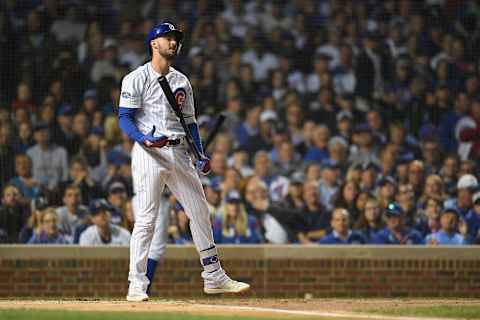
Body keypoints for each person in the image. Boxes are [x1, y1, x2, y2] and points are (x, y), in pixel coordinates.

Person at [117, 22, 249, 301]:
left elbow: (190, 124)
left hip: (178, 152)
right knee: (146, 219)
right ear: (154, 43)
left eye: (175, 38)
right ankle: (137, 285)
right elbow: (125, 118)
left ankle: (213, 277)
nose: (173, 42)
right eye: (167, 38)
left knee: (200, 210)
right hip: (149, 151)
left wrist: (200, 154)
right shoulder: (135, 78)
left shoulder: (182, 81)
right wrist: (144, 138)